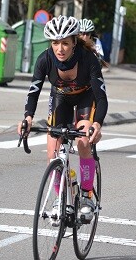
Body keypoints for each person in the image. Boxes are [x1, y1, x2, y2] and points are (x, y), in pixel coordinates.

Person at [17, 15, 108, 221]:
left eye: (65, 43)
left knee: (84, 141)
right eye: (55, 43)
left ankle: (86, 194)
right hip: (60, 98)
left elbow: (101, 98)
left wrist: (97, 124)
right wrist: (28, 118)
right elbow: (34, 91)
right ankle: (60, 197)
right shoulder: (45, 60)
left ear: (74, 42)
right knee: (53, 153)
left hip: (86, 97)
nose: (60, 48)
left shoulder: (89, 59)